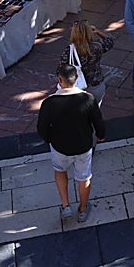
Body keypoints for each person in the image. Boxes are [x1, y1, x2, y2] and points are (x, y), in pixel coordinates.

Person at [37, 62, 106, 223]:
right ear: (76, 79)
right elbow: (99, 123)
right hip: (83, 146)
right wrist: (100, 136)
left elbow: (41, 127)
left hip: (59, 146)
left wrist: (50, 140)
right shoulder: (88, 99)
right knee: (84, 177)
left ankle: (65, 205)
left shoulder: (49, 103)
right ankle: (82, 209)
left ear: (60, 80)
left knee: (60, 171)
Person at [69, 20, 114, 104]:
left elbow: (60, 70)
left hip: (78, 87)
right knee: (95, 112)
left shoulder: (70, 50)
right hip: (96, 85)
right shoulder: (97, 46)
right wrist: (97, 31)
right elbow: (109, 41)